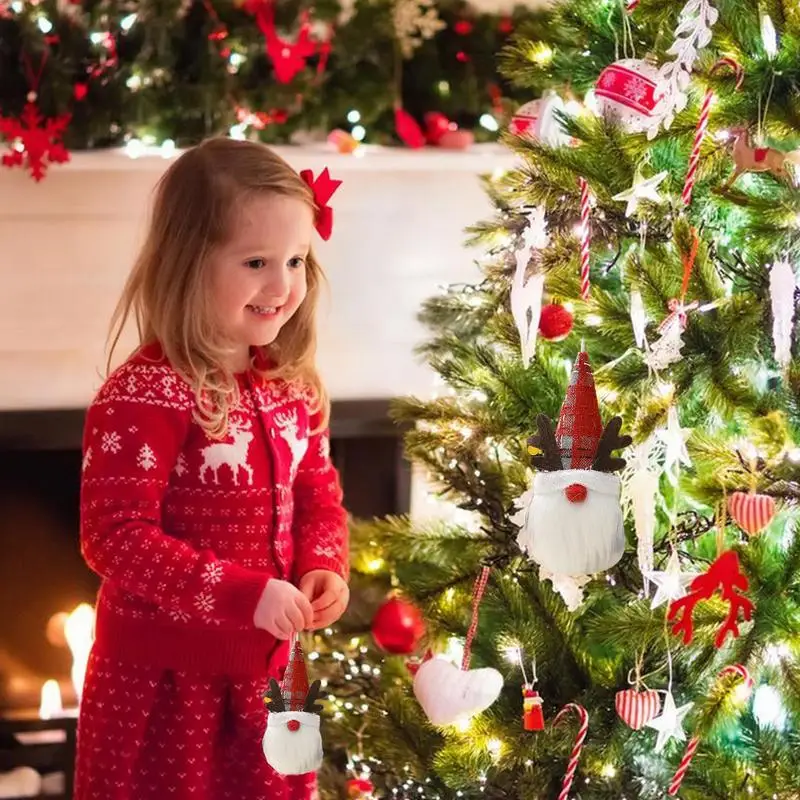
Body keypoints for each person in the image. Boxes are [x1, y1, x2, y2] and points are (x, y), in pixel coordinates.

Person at [74, 138, 350, 800]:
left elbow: (318, 492)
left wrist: (324, 564)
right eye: (256, 261)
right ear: (190, 263)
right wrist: (241, 593)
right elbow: (114, 536)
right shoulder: (143, 395)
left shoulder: (291, 385)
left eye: (296, 260)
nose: (282, 286)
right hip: (164, 691)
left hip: (271, 683)